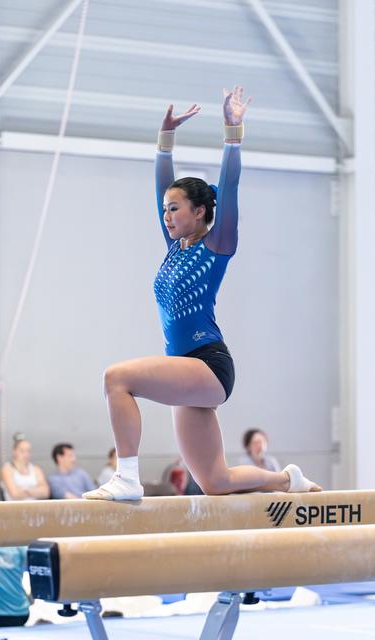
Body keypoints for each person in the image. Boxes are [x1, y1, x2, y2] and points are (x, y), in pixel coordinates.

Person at [84, 85, 321, 501]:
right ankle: (289, 480)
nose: (167, 215)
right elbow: (162, 182)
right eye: (164, 209)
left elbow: (229, 186)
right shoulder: (175, 247)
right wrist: (164, 141)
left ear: (199, 211)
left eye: (175, 208)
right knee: (216, 482)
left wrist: (232, 131)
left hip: (207, 364)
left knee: (116, 378)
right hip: (185, 371)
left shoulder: (219, 242)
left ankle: (126, 477)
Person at [0, 433, 50, 501]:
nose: (26, 454)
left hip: (34, 508)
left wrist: (25, 490)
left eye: (28, 451)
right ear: (14, 451)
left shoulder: (36, 469)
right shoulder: (7, 469)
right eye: (22, 451)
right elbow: (14, 494)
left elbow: (46, 492)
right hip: (14, 509)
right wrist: (35, 490)